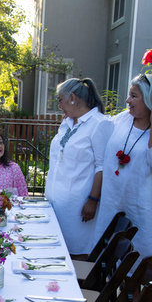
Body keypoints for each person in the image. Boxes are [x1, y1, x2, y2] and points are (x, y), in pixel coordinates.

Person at [94, 73, 152, 271]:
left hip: (145, 208)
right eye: (129, 94)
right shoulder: (123, 119)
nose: (127, 100)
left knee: (142, 259)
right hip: (116, 203)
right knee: (110, 255)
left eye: (134, 96)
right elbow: (100, 126)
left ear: (151, 99)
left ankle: (143, 297)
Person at [45, 77, 112, 256]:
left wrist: (93, 199)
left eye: (60, 100)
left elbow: (102, 166)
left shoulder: (99, 124)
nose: (59, 105)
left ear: (72, 97)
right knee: (54, 251)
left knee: (74, 252)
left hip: (77, 207)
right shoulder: (69, 123)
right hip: (55, 202)